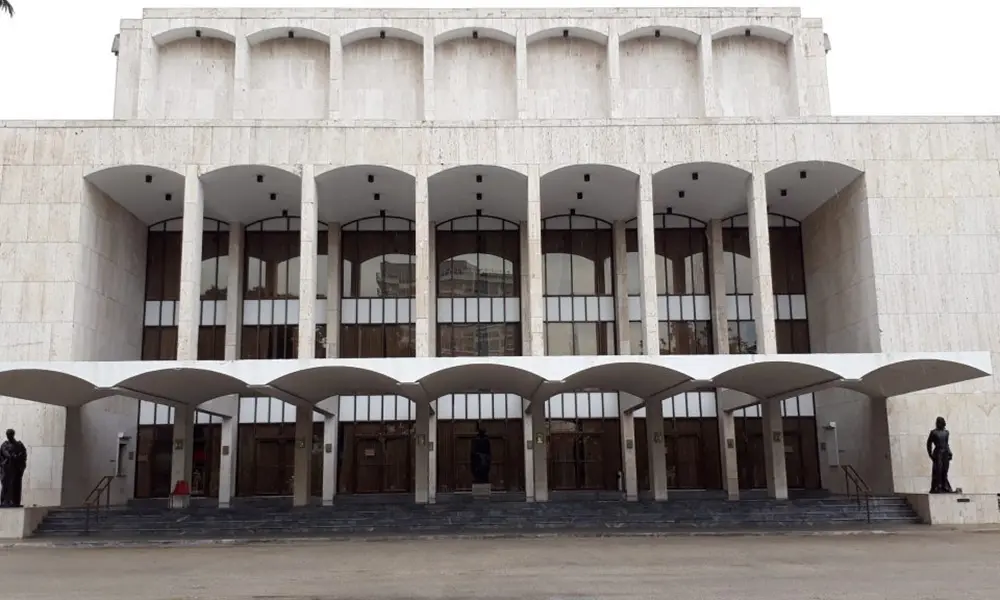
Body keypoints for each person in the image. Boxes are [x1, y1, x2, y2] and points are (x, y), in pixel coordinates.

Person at [0, 429, 27, 507]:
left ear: (13, 435)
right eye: (7, 435)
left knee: (15, 484)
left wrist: (18, 457)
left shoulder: (19, 445)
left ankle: (14, 501)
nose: (8, 436)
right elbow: (4, 452)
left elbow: (23, 453)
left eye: (10, 435)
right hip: (7, 468)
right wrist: (12, 456)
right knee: (6, 485)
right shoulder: (5, 444)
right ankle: (5, 501)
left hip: (16, 468)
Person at [926, 417, 953, 494]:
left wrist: (949, 452)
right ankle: (938, 486)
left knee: (945, 470)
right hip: (938, 453)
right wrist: (930, 454)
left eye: (941, 422)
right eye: (938, 422)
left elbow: (946, 444)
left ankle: (945, 486)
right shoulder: (933, 432)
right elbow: (929, 444)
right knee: (938, 470)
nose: (939, 423)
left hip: (945, 453)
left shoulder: (946, 432)